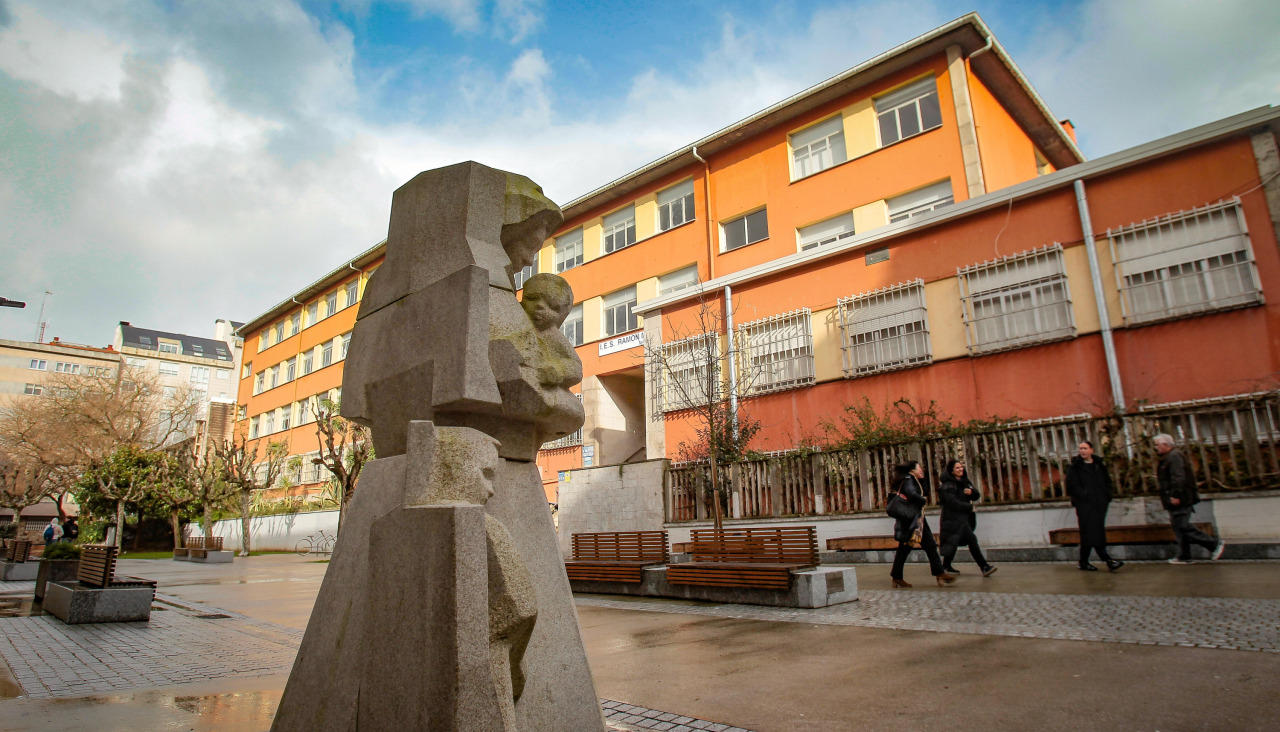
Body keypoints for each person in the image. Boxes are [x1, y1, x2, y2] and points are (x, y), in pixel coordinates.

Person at [1154, 433, 1224, 564]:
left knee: (1182, 525)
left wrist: (1175, 495)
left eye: (1157, 445)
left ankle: (1213, 544)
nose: (1156, 447)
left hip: (1180, 498)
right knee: (1178, 527)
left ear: (1165, 444)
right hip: (1177, 497)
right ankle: (1184, 555)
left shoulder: (1174, 456)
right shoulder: (1171, 456)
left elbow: (1178, 477)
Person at [889, 461, 956, 588]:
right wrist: (922, 500)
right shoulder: (908, 479)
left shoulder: (915, 480)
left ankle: (939, 573)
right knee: (905, 548)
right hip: (910, 520)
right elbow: (912, 494)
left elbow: (924, 491)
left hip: (917, 518)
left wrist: (923, 479)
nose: (921, 470)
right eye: (919, 468)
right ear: (912, 470)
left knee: (929, 545)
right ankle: (897, 577)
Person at [1066, 440, 1123, 571]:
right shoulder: (1075, 467)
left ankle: (1084, 561)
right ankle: (1108, 560)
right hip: (1085, 505)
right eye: (1080, 448)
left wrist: (1107, 496)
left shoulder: (1099, 465)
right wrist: (1084, 495)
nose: (1082, 451)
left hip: (1100, 504)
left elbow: (1107, 482)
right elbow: (1071, 485)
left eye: (1085, 448)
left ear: (1091, 450)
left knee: (1092, 532)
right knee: (1092, 531)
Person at [938, 459, 997, 577]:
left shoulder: (965, 481)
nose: (960, 469)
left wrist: (971, 492)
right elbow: (951, 502)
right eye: (957, 468)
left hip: (963, 518)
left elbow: (976, 495)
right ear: (951, 471)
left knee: (954, 541)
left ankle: (946, 565)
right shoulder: (948, 485)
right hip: (953, 519)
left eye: (961, 467)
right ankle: (984, 566)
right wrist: (968, 507)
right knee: (971, 540)